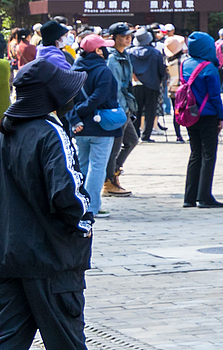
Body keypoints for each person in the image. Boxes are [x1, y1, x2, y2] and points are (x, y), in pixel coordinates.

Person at [0, 52, 101, 350]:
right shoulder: (49, 132)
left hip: (11, 256)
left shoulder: (7, 130)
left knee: (5, 344)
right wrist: (84, 223)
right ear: (53, 97)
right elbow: (68, 195)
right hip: (53, 259)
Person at [67, 36, 121, 217]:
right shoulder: (102, 71)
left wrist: (75, 116)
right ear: (97, 51)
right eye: (103, 48)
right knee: (98, 167)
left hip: (79, 126)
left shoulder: (74, 69)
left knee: (81, 165)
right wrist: (83, 110)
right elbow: (99, 97)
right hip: (101, 125)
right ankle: (92, 206)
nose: (106, 51)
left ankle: (79, 204)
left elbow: (67, 99)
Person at [180, 31, 223, 208]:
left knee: (195, 153)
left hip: (190, 114)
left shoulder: (186, 64)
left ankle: (189, 197)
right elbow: (215, 96)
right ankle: (204, 196)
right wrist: (221, 116)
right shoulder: (210, 68)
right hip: (207, 115)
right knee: (209, 155)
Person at [101, 26, 138, 200]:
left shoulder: (125, 55)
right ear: (113, 37)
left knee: (132, 140)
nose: (128, 39)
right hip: (116, 108)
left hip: (126, 106)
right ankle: (108, 182)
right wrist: (118, 109)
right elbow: (112, 86)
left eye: (129, 36)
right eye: (124, 36)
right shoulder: (111, 58)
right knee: (114, 147)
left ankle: (114, 172)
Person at [129, 28, 164, 143]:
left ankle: (135, 133)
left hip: (136, 84)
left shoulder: (130, 52)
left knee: (136, 110)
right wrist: (161, 80)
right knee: (151, 110)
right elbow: (161, 70)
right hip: (152, 84)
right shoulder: (156, 52)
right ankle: (146, 135)